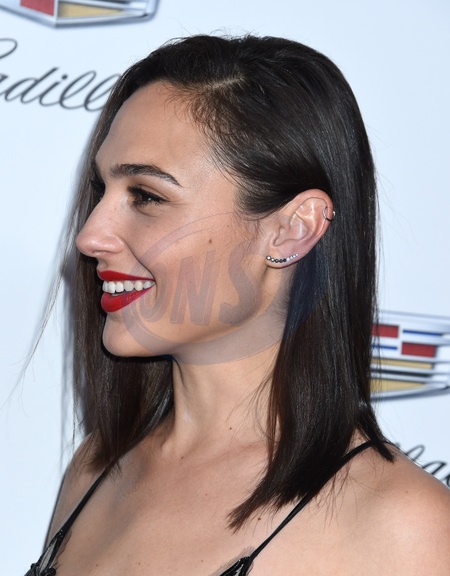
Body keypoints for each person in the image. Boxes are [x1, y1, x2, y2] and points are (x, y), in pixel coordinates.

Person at [26, 35, 450, 576]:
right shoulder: (96, 469)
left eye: (147, 196)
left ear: (292, 229)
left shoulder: (402, 526)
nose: (90, 236)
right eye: (101, 189)